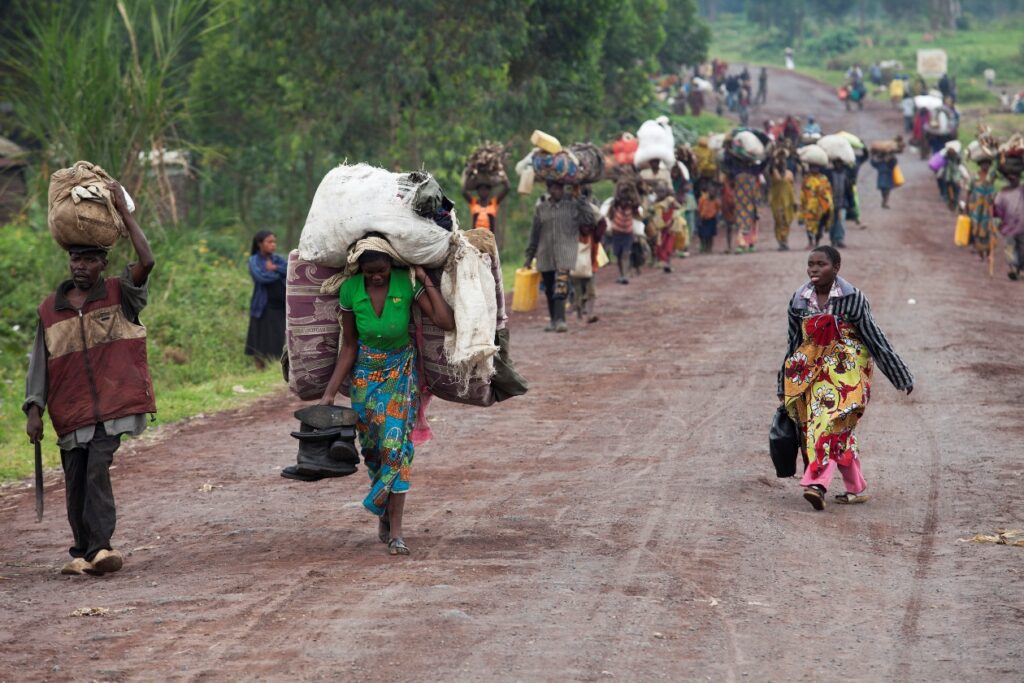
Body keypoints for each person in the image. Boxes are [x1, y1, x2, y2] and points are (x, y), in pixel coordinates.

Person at [24, 181, 156, 576]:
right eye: (75, 260)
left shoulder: (120, 293)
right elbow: (39, 363)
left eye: (88, 260)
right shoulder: (50, 310)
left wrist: (125, 213)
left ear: (103, 263)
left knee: (97, 468)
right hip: (71, 410)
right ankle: (81, 550)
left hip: (112, 406)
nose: (80, 266)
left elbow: (147, 261)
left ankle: (101, 547)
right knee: (76, 479)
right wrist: (34, 409)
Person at [318, 236, 455, 555]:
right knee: (373, 452)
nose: (377, 277)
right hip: (364, 379)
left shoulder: (405, 283)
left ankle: (396, 532)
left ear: (391, 265)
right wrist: (329, 394)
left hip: (400, 375)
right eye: (370, 273)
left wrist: (425, 279)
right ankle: (383, 510)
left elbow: (444, 321)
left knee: (396, 449)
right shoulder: (351, 289)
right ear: (360, 270)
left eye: (381, 270)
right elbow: (349, 345)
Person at [780, 246, 913, 510]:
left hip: (849, 372)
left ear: (836, 268)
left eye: (821, 264)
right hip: (813, 373)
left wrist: (899, 374)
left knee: (829, 423)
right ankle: (856, 487)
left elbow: (874, 338)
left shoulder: (853, 298)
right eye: (811, 264)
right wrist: (784, 384)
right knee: (833, 428)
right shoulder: (799, 300)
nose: (814, 269)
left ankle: (817, 484)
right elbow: (794, 343)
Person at [525, 181, 596, 331]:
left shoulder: (572, 207)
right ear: (549, 190)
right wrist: (529, 257)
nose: (557, 191)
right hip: (545, 254)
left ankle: (561, 321)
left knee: (561, 286)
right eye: (554, 188)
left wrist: (581, 199)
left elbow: (590, 219)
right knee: (549, 288)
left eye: (559, 188)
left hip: (565, 254)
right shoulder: (541, 209)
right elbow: (534, 234)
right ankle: (553, 320)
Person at [245, 230, 287, 369]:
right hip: (263, 306)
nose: (273, 245)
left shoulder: (277, 259)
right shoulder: (254, 260)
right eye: (269, 242)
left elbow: (290, 269)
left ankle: (275, 367)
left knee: (277, 338)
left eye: (274, 242)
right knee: (260, 339)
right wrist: (279, 273)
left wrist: (274, 268)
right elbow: (261, 277)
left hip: (280, 306)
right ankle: (260, 368)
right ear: (259, 244)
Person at [964, 154, 998, 266]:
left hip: (988, 208)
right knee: (976, 229)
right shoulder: (974, 178)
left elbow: (998, 167)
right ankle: (979, 253)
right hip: (976, 208)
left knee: (989, 229)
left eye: (988, 164)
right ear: (980, 164)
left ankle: (988, 253)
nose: (986, 166)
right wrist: (966, 205)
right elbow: (968, 191)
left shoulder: (991, 177)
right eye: (983, 163)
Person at [994, 166, 1024, 281]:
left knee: (1021, 249)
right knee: (1010, 247)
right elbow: (997, 208)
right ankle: (1013, 268)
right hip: (1009, 226)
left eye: (1015, 178)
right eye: (1011, 179)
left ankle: (1019, 268)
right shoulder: (1003, 192)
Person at [650, 182, 684, 272]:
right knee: (659, 245)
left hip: (669, 227)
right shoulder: (655, 202)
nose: (660, 194)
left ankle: (668, 264)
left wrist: (673, 204)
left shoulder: (669, 201)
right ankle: (659, 261)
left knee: (668, 245)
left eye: (662, 191)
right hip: (659, 228)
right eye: (658, 191)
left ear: (666, 192)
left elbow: (678, 207)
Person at [768, 151, 798, 250]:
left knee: (787, 221)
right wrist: (772, 158)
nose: (782, 162)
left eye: (784, 160)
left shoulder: (789, 174)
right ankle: (780, 241)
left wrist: (795, 201)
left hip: (788, 202)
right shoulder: (774, 172)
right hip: (776, 202)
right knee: (779, 221)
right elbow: (770, 169)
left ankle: (785, 240)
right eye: (780, 161)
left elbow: (792, 188)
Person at [800, 161, 833, 249]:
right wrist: (802, 203)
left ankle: (817, 242)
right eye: (812, 167)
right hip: (809, 206)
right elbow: (803, 191)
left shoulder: (823, 178)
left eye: (816, 167)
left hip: (821, 206)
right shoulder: (806, 179)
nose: (814, 169)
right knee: (809, 224)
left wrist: (828, 202)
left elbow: (828, 191)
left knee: (820, 225)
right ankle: (810, 241)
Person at [608, 196, 638, 284]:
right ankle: (622, 274)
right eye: (623, 200)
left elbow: (638, 206)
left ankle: (625, 276)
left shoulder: (632, 208)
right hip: (616, 234)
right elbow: (610, 216)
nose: (625, 202)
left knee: (625, 254)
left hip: (628, 234)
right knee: (618, 255)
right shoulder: (615, 207)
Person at [827, 159, 852, 248]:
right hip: (831, 202)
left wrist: (850, 203)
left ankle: (840, 239)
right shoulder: (829, 174)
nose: (838, 165)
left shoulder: (846, 174)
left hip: (842, 202)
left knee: (841, 221)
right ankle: (833, 240)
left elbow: (849, 190)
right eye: (836, 163)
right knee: (832, 222)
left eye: (839, 163)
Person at [696, 185, 720, 254]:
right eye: (711, 191)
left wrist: (716, 218)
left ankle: (709, 248)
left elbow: (718, 209)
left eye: (714, 192)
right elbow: (699, 209)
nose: (713, 193)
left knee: (710, 235)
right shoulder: (702, 199)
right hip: (703, 219)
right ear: (708, 192)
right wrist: (699, 218)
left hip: (712, 219)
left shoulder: (716, 200)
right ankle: (703, 246)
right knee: (702, 234)